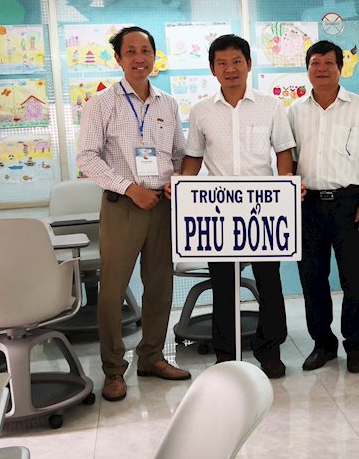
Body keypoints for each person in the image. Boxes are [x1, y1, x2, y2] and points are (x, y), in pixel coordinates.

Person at [76, 25, 191, 403]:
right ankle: (113, 369)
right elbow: (86, 157)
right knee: (113, 290)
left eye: (146, 51)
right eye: (131, 52)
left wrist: (176, 180)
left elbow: (179, 154)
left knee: (160, 285)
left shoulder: (167, 104)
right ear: (118, 58)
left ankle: (152, 357)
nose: (139, 58)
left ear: (155, 56)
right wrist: (129, 188)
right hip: (123, 205)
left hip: (162, 205)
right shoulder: (101, 103)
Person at [181, 34, 295, 379]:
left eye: (236, 61)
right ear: (212, 69)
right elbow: (193, 157)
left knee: (269, 283)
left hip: (263, 210)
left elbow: (284, 152)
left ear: (248, 64)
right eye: (222, 63)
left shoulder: (270, 105)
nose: (230, 69)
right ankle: (226, 354)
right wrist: (181, 189)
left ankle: (269, 351)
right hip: (220, 212)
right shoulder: (201, 111)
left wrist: (286, 188)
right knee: (224, 285)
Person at [288, 40, 359, 374]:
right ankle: (323, 344)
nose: (322, 69)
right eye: (315, 63)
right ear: (307, 69)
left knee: (355, 279)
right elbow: (289, 158)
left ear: (340, 68)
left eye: (329, 63)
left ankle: (355, 346)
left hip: (350, 202)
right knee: (312, 279)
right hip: (308, 206)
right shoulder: (294, 111)